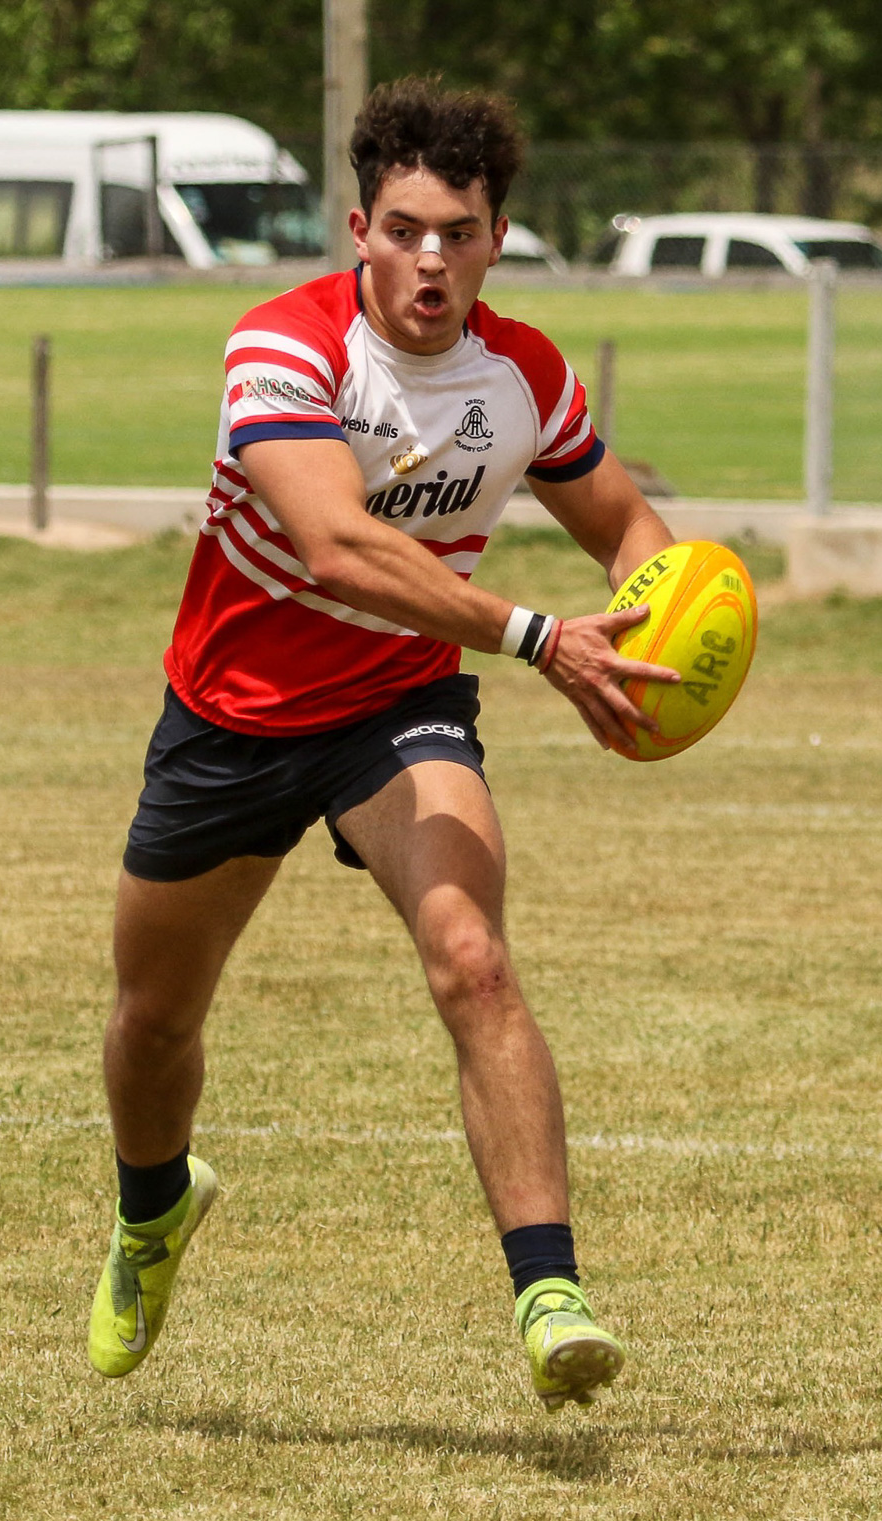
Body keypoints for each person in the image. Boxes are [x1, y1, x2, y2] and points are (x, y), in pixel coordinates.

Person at [87, 76, 678, 1411]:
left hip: (397, 711)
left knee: (473, 957)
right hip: (232, 714)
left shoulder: (525, 375)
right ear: (358, 227)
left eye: (457, 232)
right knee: (154, 1018)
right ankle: (152, 1209)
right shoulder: (280, 349)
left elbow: (630, 530)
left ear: (496, 239)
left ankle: (550, 1292)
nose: (430, 256)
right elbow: (339, 547)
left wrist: (667, 631)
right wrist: (539, 637)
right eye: (404, 228)